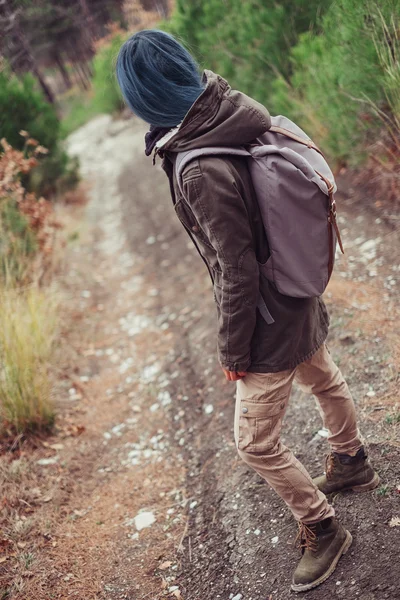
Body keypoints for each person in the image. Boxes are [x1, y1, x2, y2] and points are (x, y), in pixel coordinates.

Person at [116, 29, 380, 593]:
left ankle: (322, 527)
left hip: (265, 312)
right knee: (321, 372)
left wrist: (233, 350)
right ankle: (351, 458)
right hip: (296, 285)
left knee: (253, 442)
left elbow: (235, 270)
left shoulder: (196, 167)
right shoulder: (224, 108)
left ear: (144, 96)